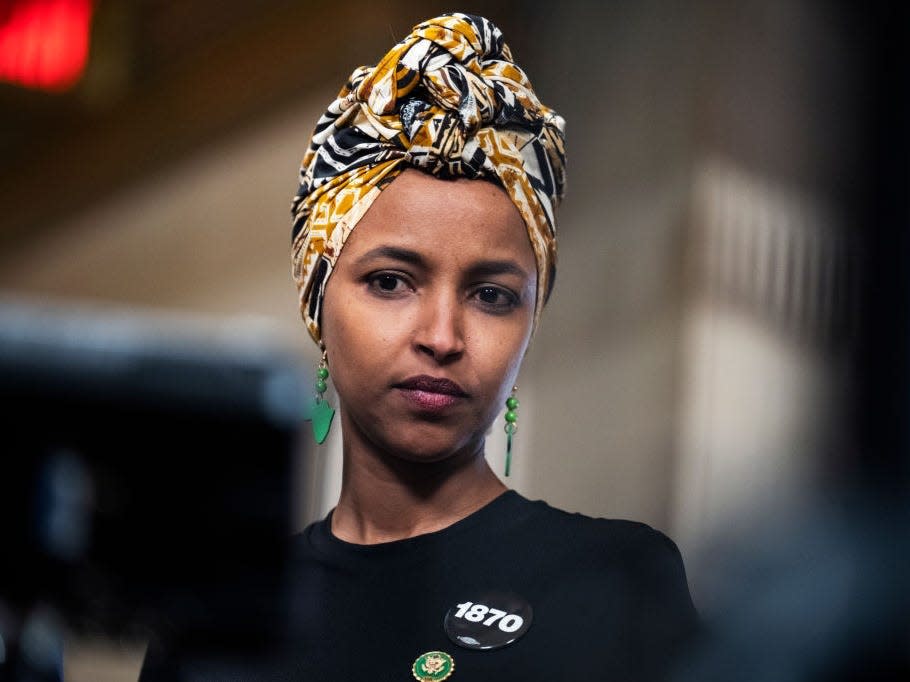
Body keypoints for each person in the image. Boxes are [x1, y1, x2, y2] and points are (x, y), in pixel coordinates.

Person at [139, 12, 696, 681]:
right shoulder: (217, 621)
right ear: (319, 300)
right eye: (390, 282)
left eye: (491, 295)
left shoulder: (620, 584)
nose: (441, 337)